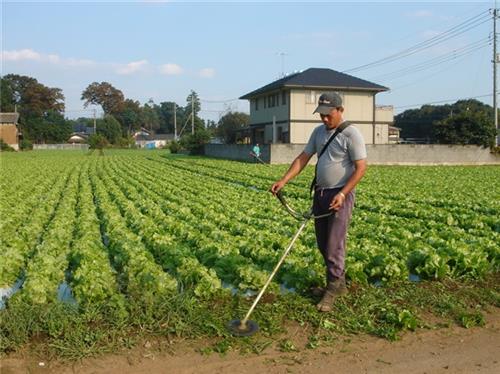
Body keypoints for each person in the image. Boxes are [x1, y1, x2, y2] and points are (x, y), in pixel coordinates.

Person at [270, 92, 367, 312]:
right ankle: (338, 283)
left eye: (328, 114)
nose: (324, 119)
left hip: (339, 196)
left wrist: (342, 194)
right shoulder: (318, 132)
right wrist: (283, 180)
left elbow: (361, 168)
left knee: (334, 243)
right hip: (321, 194)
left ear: (340, 110)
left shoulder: (351, 134)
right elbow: (303, 158)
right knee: (323, 243)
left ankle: (332, 289)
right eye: (321, 115)